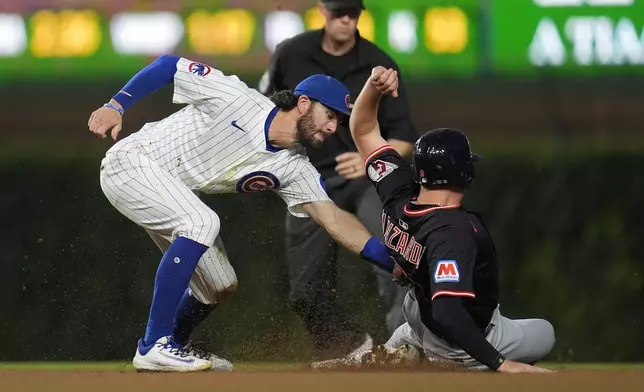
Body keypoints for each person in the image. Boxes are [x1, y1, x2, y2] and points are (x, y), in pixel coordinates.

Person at [86, 55, 395, 372]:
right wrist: (117, 105)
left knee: (219, 285)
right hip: (133, 162)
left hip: (167, 188)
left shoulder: (294, 167)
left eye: (339, 122)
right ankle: (154, 346)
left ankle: (173, 347)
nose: (333, 127)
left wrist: (395, 262)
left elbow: (335, 221)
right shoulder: (236, 97)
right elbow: (168, 65)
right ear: (303, 103)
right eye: (330, 114)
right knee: (201, 223)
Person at [345, 66, 556, 373]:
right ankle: (456, 364)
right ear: (464, 174)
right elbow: (448, 311)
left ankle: (404, 346)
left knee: (424, 305)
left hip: (416, 315)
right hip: (454, 339)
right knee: (545, 333)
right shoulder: (454, 231)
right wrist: (501, 363)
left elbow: (363, 130)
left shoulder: (397, 193)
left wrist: (373, 88)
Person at [259, 0, 416, 359]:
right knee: (305, 289)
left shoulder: (379, 64)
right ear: (322, 10)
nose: (346, 19)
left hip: (367, 183)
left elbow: (405, 137)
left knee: (395, 258)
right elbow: (263, 107)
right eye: (338, 11)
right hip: (308, 180)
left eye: (352, 12)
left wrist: (369, 158)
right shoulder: (291, 53)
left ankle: (407, 347)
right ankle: (341, 348)